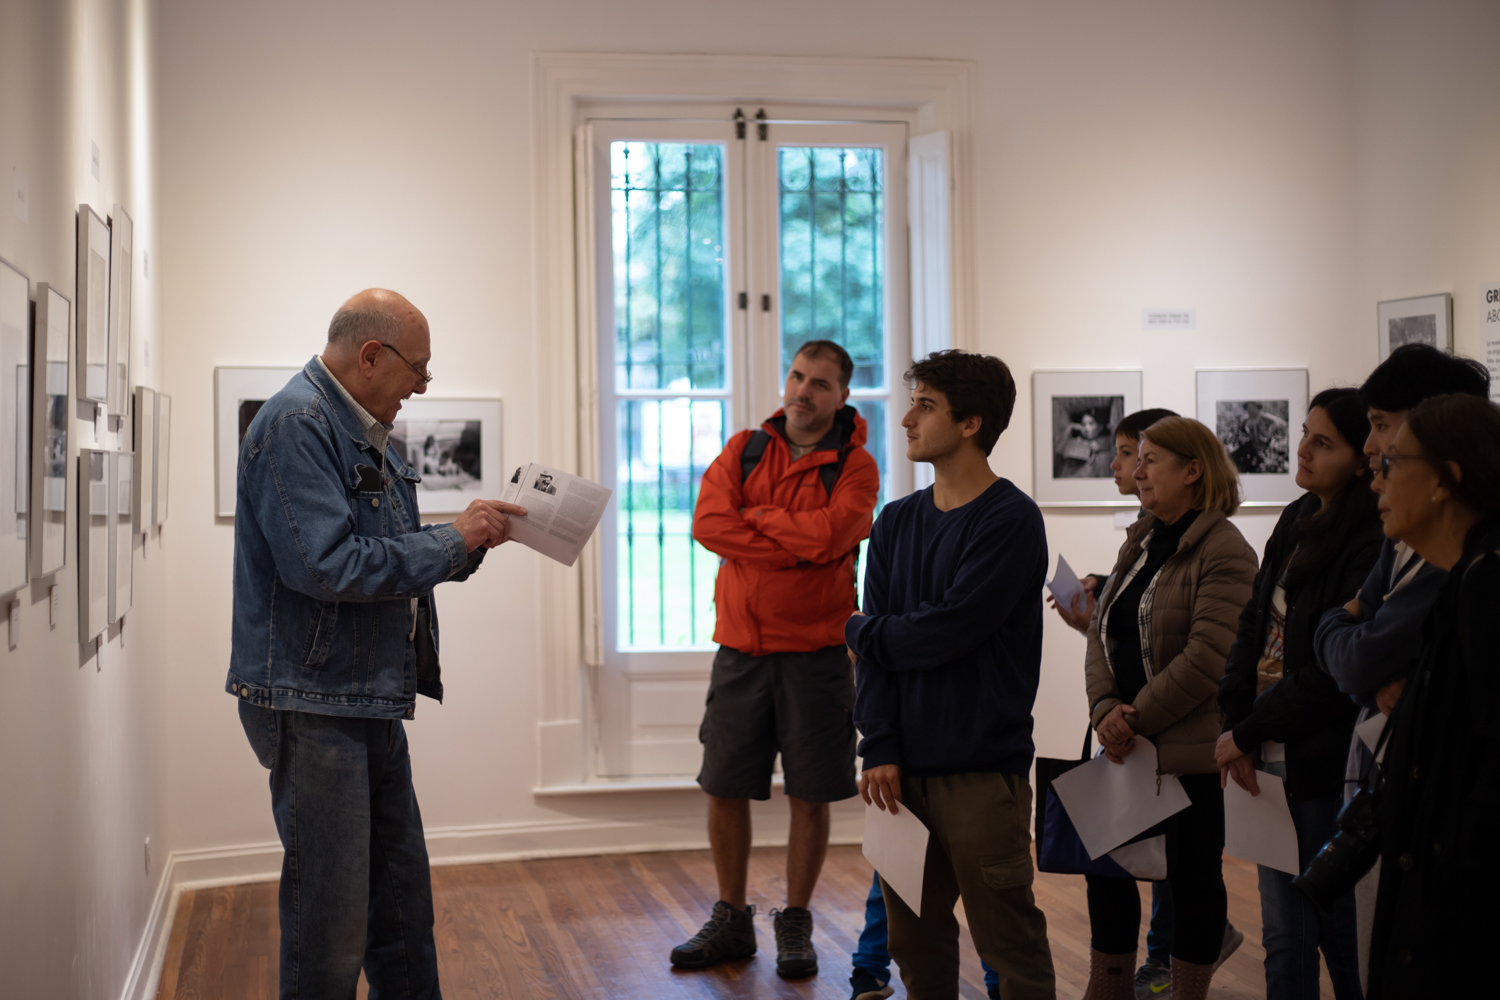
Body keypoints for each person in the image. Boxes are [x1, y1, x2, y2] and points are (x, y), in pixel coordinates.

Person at [227, 289, 527, 998]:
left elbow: (384, 552)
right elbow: (326, 566)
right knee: (329, 926)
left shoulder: (360, 429)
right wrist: (452, 541)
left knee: (399, 909)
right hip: (314, 700)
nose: (423, 386)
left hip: (364, 693)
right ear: (371, 356)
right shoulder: (298, 426)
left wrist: (467, 538)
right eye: (418, 370)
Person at [851, 349, 1057, 1000]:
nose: (907, 418)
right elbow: (890, 656)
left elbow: (947, 630)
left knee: (1009, 942)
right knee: (913, 941)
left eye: (926, 405)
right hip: (898, 776)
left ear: (970, 424)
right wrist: (878, 746)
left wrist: (859, 630)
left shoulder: (1010, 519)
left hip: (980, 774)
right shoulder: (896, 521)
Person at [675, 339, 880, 979]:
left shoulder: (857, 466)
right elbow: (709, 525)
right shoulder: (744, 448)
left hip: (818, 655)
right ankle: (732, 918)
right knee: (724, 786)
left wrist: (759, 521)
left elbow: (833, 535)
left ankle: (794, 919)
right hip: (741, 647)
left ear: (842, 395)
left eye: (820, 383)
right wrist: (795, 545)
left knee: (811, 794)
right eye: (797, 376)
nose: (803, 391)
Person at [1312, 344, 1490, 983]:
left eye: (1390, 445)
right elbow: (1337, 635)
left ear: (1445, 472)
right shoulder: (1424, 556)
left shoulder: (1475, 583)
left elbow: (1358, 661)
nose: (1373, 465)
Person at [1081, 417, 1257, 1000]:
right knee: (1106, 878)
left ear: (1192, 470)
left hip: (1184, 753)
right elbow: (1100, 634)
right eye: (1138, 459)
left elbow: (1211, 658)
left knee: (1192, 882)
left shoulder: (1225, 548)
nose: (1136, 471)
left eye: (1150, 459)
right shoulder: (1140, 538)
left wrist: (1131, 720)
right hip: (1121, 747)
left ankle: (1187, 993)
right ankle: (1106, 990)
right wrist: (1104, 705)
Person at [1215, 389, 1382, 998]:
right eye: (1305, 433)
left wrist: (1247, 731)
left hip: (1320, 756)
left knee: (1320, 927)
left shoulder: (1370, 536)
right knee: (1288, 931)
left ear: (1364, 457)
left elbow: (1329, 669)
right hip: (1264, 747)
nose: (1303, 449)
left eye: (1323, 442)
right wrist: (1236, 720)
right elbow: (1253, 622)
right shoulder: (1295, 516)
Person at [1364, 394, 1500, 997]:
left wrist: (1450, 880)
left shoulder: (1487, 584)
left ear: (1445, 481)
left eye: (1393, 462)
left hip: (1462, 921)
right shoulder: (1465, 580)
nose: (1378, 480)